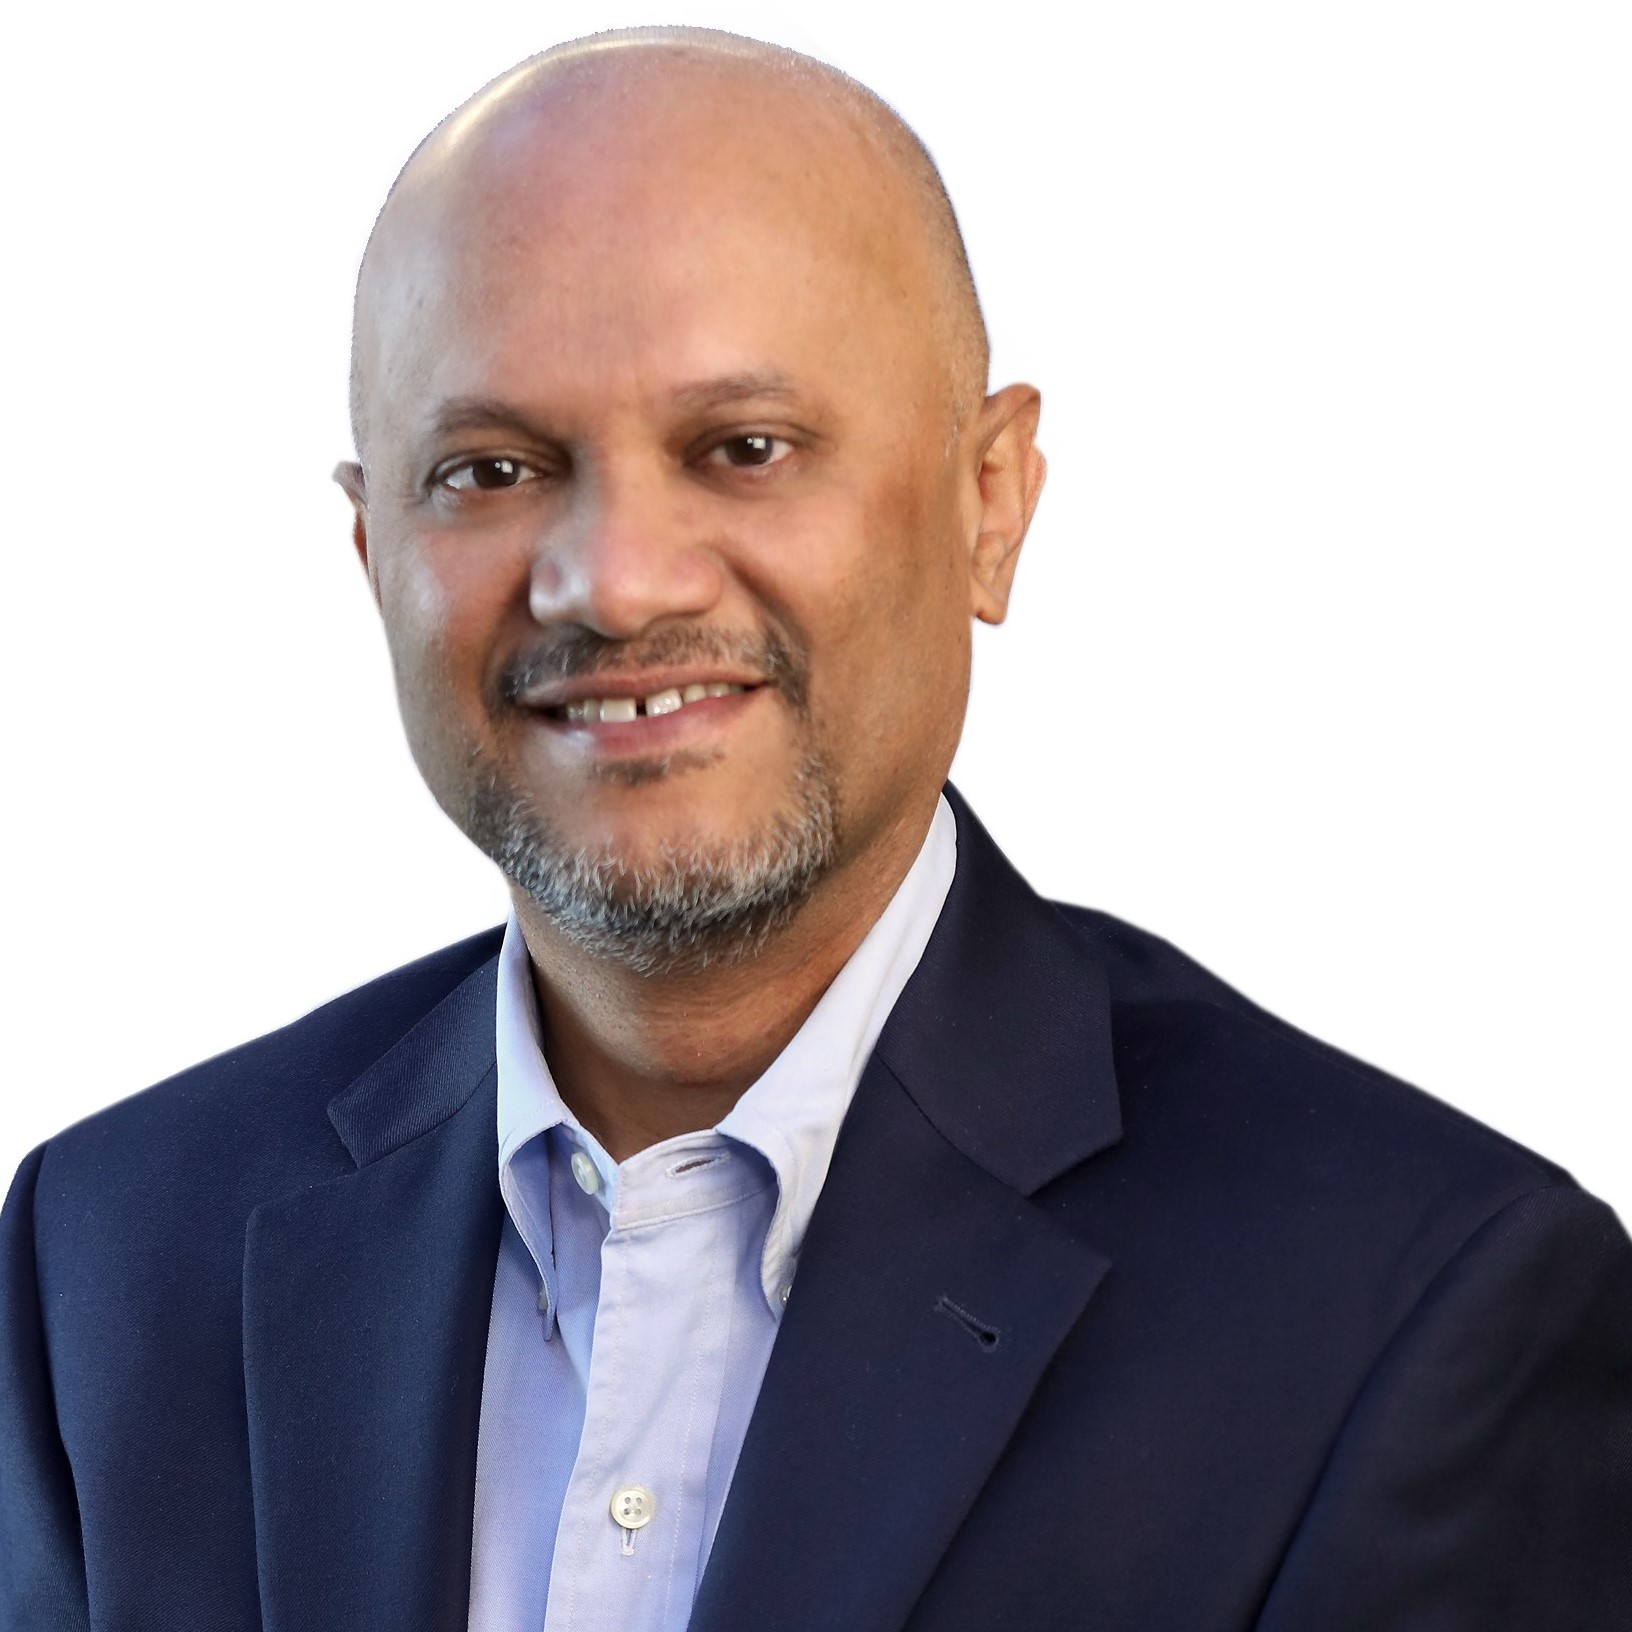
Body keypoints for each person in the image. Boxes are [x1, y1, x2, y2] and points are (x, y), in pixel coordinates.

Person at [3, 25, 1629, 1632]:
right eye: (492, 469)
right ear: (373, 556)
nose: (614, 580)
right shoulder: (107, 1266)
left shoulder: (1407, 1312)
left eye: (745, 449)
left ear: (991, 501)